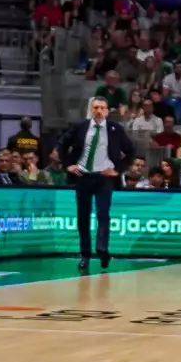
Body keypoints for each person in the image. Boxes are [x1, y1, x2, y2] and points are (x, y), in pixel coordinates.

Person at [60, 98, 131, 270]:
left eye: (102, 108)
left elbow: (130, 152)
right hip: (83, 176)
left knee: (103, 214)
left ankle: (102, 249)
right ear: (91, 109)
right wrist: (68, 165)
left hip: (104, 177)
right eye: (96, 108)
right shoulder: (80, 127)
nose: (99, 111)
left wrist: (117, 170)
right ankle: (85, 254)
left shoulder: (115, 129)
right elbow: (62, 145)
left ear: (107, 111)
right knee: (83, 217)